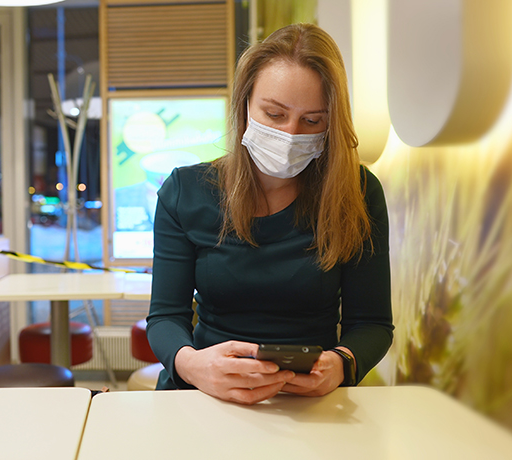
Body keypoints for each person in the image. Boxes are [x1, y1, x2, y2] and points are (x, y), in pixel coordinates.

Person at [146, 23, 394, 405]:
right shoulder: (186, 192)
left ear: (332, 122)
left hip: (312, 404)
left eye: (312, 121)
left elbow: (372, 324)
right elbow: (165, 317)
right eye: (275, 114)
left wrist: (342, 363)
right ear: (245, 103)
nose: (291, 134)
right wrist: (193, 366)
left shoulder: (358, 193)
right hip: (205, 396)